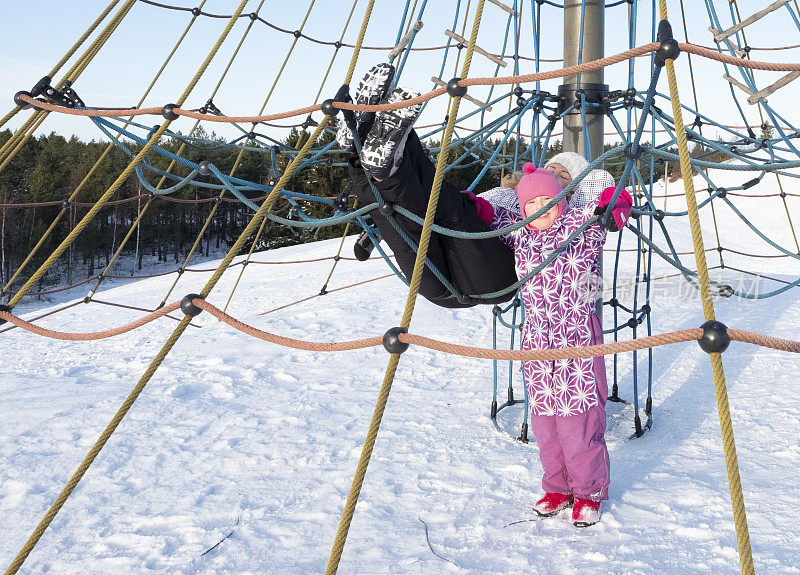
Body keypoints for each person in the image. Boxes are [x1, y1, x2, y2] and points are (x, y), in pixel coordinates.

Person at [338, 64, 601, 309]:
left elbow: (606, 193)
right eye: (550, 169)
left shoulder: (572, 216)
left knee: (454, 207)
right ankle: (365, 152)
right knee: (411, 216)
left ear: (576, 187)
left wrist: (614, 203)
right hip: (441, 270)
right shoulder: (516, 194)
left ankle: (391, 143)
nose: (552, 176)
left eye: (563, 176)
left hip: (493, 279)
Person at [477, 163, 632, 526]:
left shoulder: (578, 226)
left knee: (579, 425)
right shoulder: (519, 233)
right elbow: (492, 213)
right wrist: (472, 205)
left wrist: (614, 203)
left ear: (560, 200)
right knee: (546, 425)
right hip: (536, 343)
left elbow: (610, 206)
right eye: (532, 203)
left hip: (575, 338)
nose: (540, 209)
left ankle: (589, 491)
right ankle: (557, 488)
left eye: (548, 199)